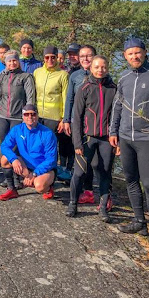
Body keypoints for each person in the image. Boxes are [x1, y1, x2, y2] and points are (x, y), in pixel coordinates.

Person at [109, 38, 149, 252]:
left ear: (145, 53)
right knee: (131, 180)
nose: (134, 57)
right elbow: (117, 107)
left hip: (147, 138)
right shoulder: (124, 77)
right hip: (125, 137)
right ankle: (139, 221)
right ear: (125, 56)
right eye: (130, 54)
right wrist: (113, 132)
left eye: (137, 53)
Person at [67, 56, 117, 221]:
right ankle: (73, 203)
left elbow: (118, 116)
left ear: (107, 68)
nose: (100, 70)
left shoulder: (113, 89)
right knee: (79, 172)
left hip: (106, 139)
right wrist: (77, 142)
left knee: (104, 173)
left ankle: (103, 208)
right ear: (91, 68)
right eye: (97, 67)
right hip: (87, 138)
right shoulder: (85, 88)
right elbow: (76, 117)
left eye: (103, 67)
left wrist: (117, 139)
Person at [63, 45, 99, 205]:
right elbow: (69, 99)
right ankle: (80, 192)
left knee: (94, 160)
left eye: (88, 55)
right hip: (78, 123)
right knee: (80, 157)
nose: (85, 59)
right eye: (82, 56)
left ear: (95, 57)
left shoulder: (101, 74)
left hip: (95, 124)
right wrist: (66, 120)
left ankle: (91, 191)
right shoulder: (75, 76)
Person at [0, 104, 57, 201]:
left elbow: (51, 159)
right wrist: (14, 159)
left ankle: (49, 188)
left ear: (37, 116)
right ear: (22, 117)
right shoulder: (17, 129)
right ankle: (11, 189)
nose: (30, 117)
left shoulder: (48, 133)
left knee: (39, 186)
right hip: (26, 167)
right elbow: (4, 146)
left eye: (33, 114)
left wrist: (35, 173)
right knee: (5, 159)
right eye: (26, 114)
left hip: (44, 169)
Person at [33, 47, 72, 175]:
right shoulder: (37, 72)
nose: (50, 60)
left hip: (54, 118)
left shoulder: (63, 75)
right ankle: (39, 173)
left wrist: (63, 119)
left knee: (50, 148)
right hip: (38, 117)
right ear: (43, 58)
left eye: (53, 57)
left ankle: (51, 176)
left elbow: (66, 98)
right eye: (47, 57)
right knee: (38, 146)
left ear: (57, 58)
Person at [0, 50, 35, 142]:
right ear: (6, 62)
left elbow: (30, 98)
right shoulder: (2, 76)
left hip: (18, 117)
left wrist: (28, 116)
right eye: (9, 61)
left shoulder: (26, 77)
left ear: (18, 61)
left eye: (14, 60)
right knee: (4, 143)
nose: (12, 63)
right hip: (2, 116)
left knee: (16, 144)